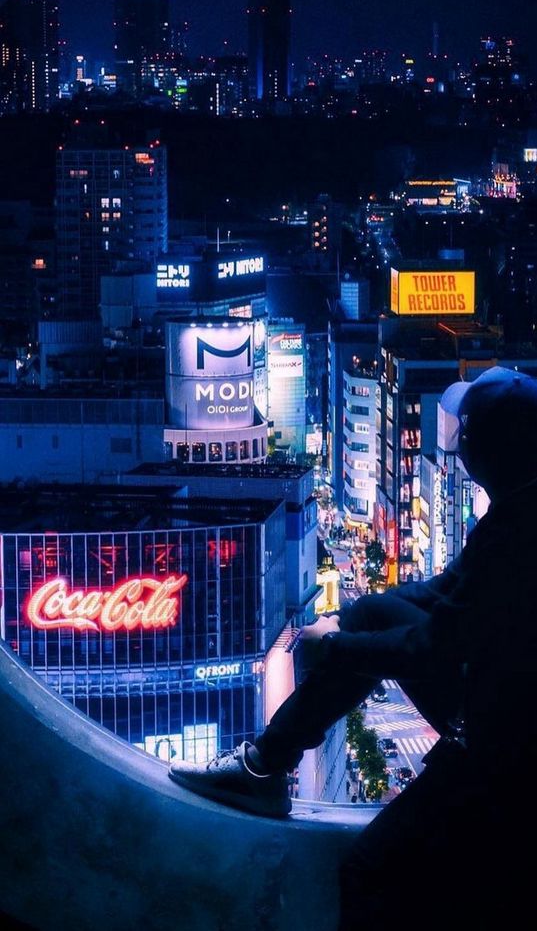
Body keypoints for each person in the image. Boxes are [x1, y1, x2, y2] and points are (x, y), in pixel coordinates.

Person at [169, 367, 537, 923]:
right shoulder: (515, 513)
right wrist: (348, 620)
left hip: (503, 746)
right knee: (369, 612)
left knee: (368, 869)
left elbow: (431, 647)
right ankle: (268, 761)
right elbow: (445, 589)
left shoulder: (515, 530)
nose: (458, 445)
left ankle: (264, 766)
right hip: (501, 704)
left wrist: (335, 647)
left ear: (481, 451)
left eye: (465, 434)